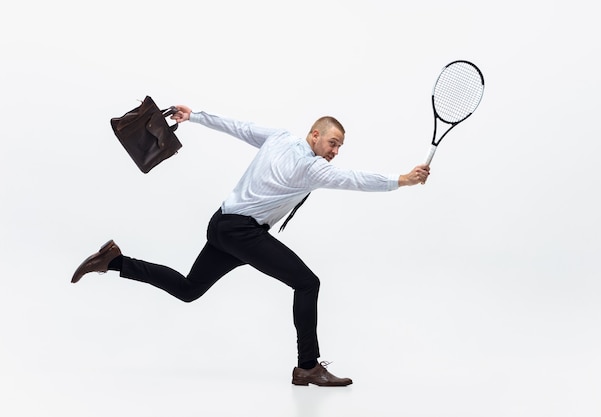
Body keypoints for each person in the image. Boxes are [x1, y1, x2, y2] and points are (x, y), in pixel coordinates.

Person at [71, 105, 430, 386]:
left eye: (339, 146)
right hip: (241, 232)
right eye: (333, 143)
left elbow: (238, 127)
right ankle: (307, 367)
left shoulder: (279, 137)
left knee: (189, 289)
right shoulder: (313, 168)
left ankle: (114, 261)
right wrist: (401, 180)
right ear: (315, 135)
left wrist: (195, 116)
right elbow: (354, 179)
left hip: (222, 225)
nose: (335, 151)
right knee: (307, 283)